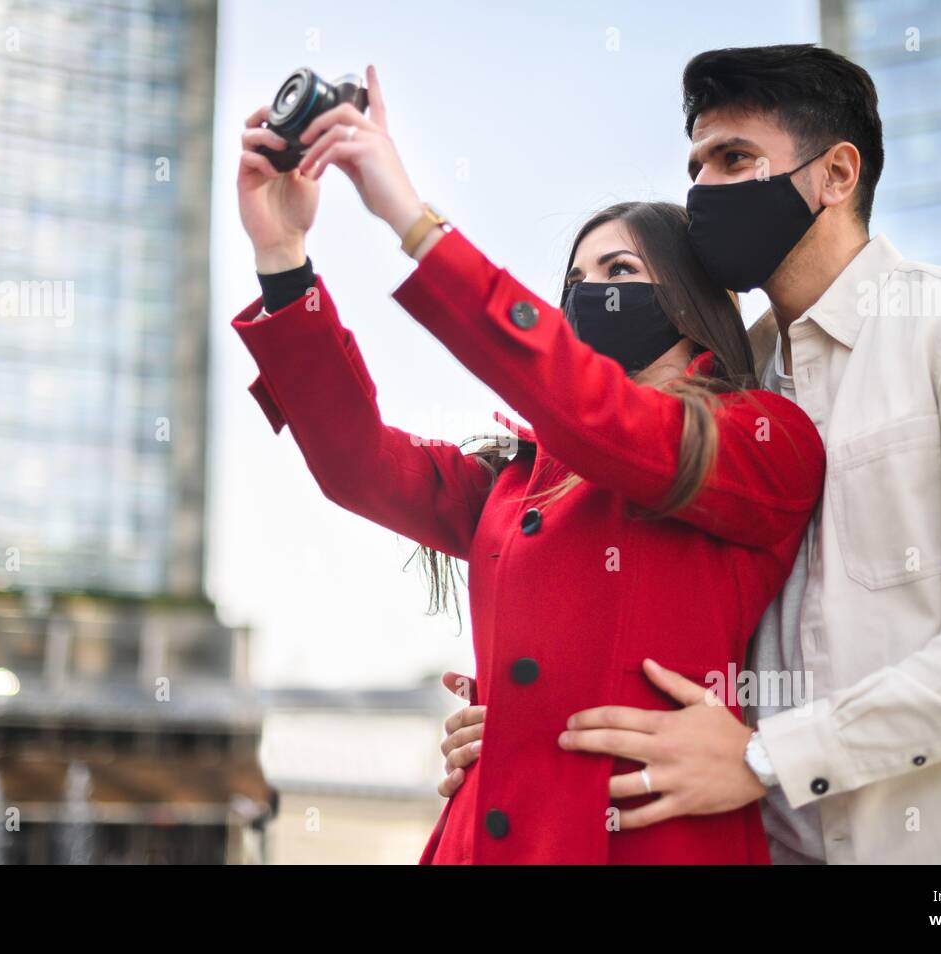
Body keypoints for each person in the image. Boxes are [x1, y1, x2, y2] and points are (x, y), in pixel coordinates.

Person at [443, 44, 941, 863]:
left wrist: (770, 758)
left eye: (735, 159)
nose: (704, 191)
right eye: (696, 166)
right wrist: (530, 720)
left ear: (836, 174)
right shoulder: (725, 391)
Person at [232, 66, 824, 863]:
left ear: (690, 302)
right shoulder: (517, 478)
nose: (588, 297)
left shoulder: (764, 441)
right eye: (575, 281)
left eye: (620, 274)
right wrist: (282, 254)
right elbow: (358, 464)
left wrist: (409, 217)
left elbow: (600, 420)